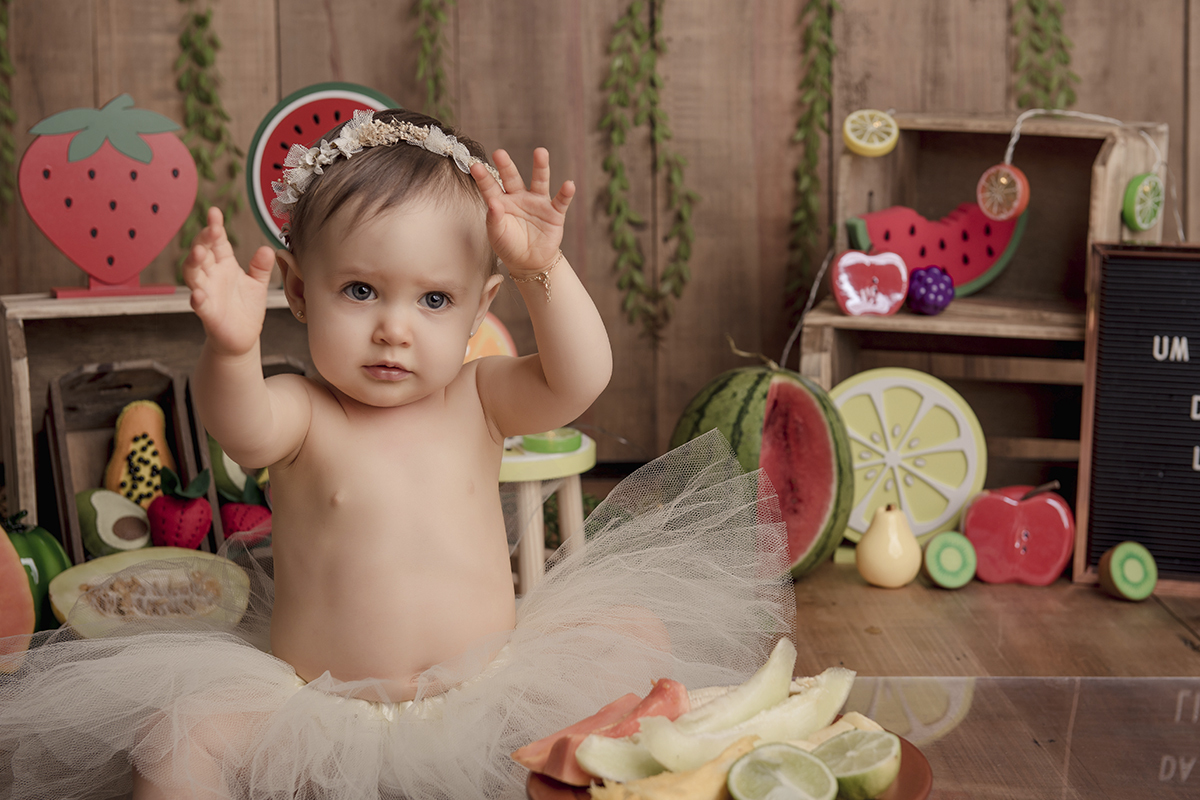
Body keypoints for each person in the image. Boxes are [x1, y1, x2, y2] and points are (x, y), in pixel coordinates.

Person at [0, 109, 794, 800]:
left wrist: (542, 270)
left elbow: (582, 377)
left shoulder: (480, 398)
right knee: (176, 739)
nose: (395, 328)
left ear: (480, 306)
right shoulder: (306, 412)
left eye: (434, 299)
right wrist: (231, 350)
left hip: (491, 688)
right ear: (301, 292)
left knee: (636, 634)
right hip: (314, 708)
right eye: (360, 291)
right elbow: (238, 424)